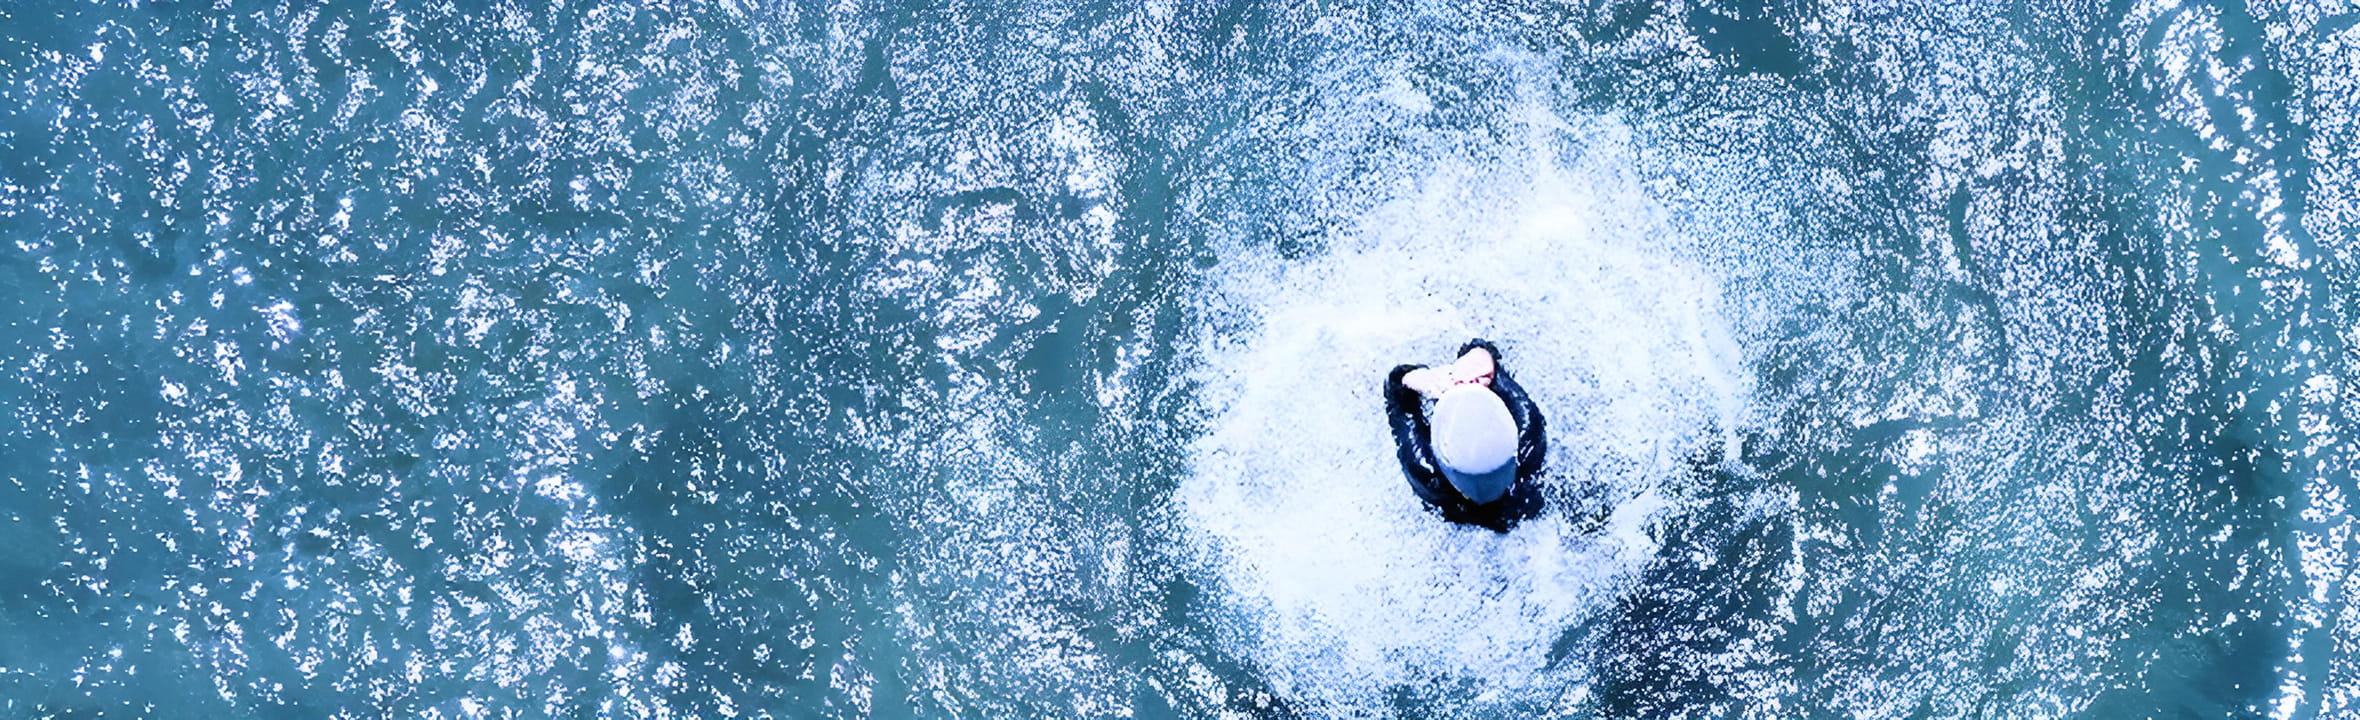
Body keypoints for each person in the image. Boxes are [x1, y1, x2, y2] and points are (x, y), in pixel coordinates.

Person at [1384, 338, 1545, 531]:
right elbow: (1486, 355)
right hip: (1526, 506)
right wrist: (1482, 355)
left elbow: (1397, 396)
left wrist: (1412, 377)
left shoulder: (1425, 472)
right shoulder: (1529, 436)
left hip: (1452, 509)